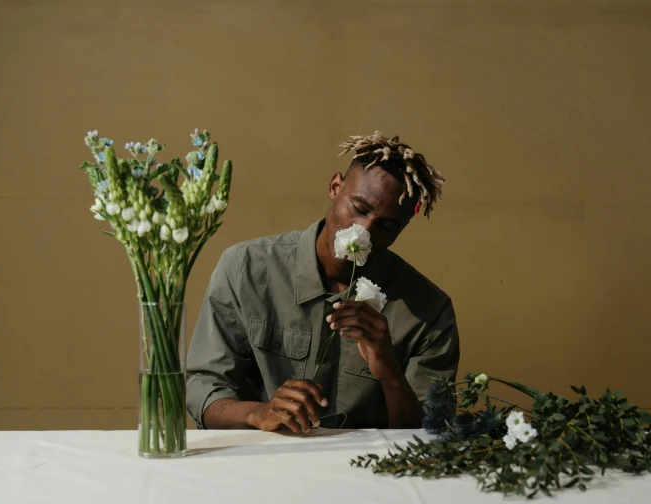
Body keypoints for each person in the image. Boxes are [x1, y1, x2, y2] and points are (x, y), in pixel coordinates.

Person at [186, 131, 459, 432]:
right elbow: (203, 386)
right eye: (360, 208)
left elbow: (432, 432)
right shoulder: (245, 268)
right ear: (335, 187)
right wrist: (257, 413)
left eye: (387, 226)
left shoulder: (428, 310)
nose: (365, 230)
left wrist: (389, 369)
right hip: (261, 465)